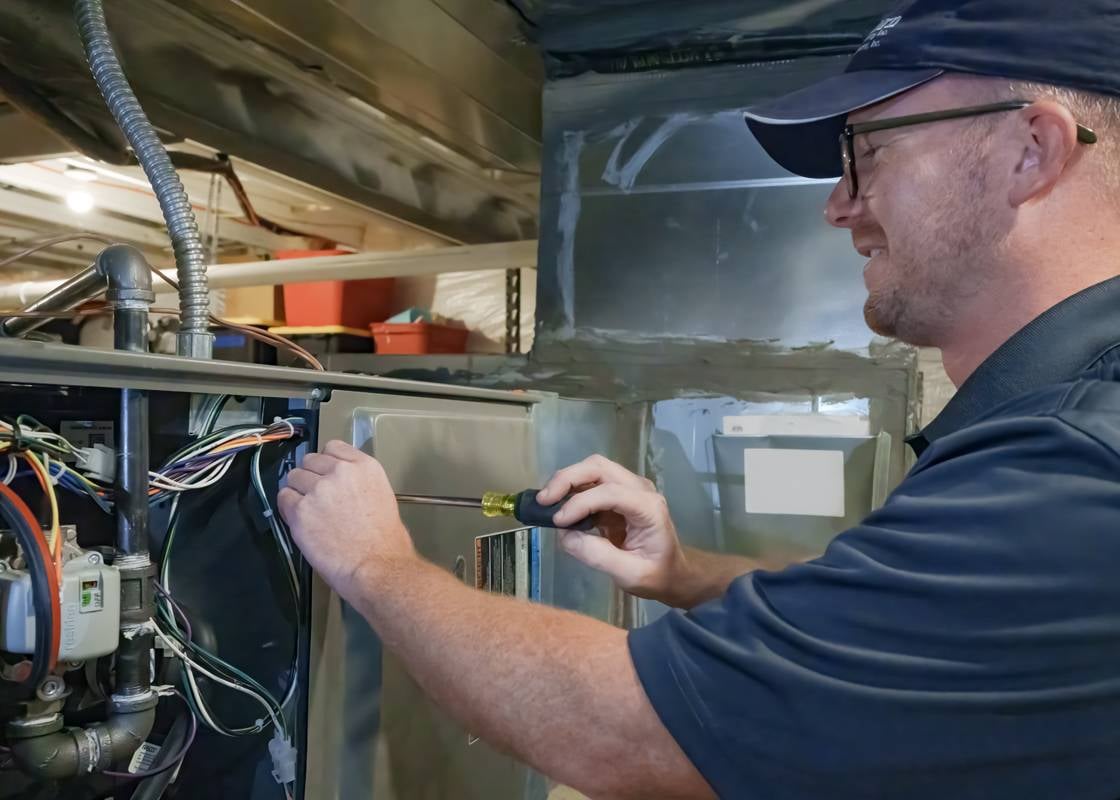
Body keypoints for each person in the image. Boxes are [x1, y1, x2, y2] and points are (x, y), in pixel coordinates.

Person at [278, 1, 1120, 797]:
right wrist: (683, 576)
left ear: (1032, 151)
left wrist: (372, 564)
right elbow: (895, 629)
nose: (838, 206)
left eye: (867, 152)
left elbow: (621, 731)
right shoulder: (1057, 437)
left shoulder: (1072, 470)